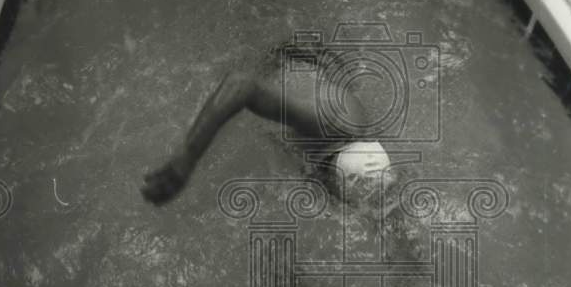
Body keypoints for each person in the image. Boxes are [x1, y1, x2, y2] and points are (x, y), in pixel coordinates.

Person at [141, 47, 391, 205]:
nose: (338, 204)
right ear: (334, 174)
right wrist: (186, 160)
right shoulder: (327, 122)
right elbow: (241, 84)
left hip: (317, 72)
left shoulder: (373, 162)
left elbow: (386, 214)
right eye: (339, 198)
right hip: (278, 55)